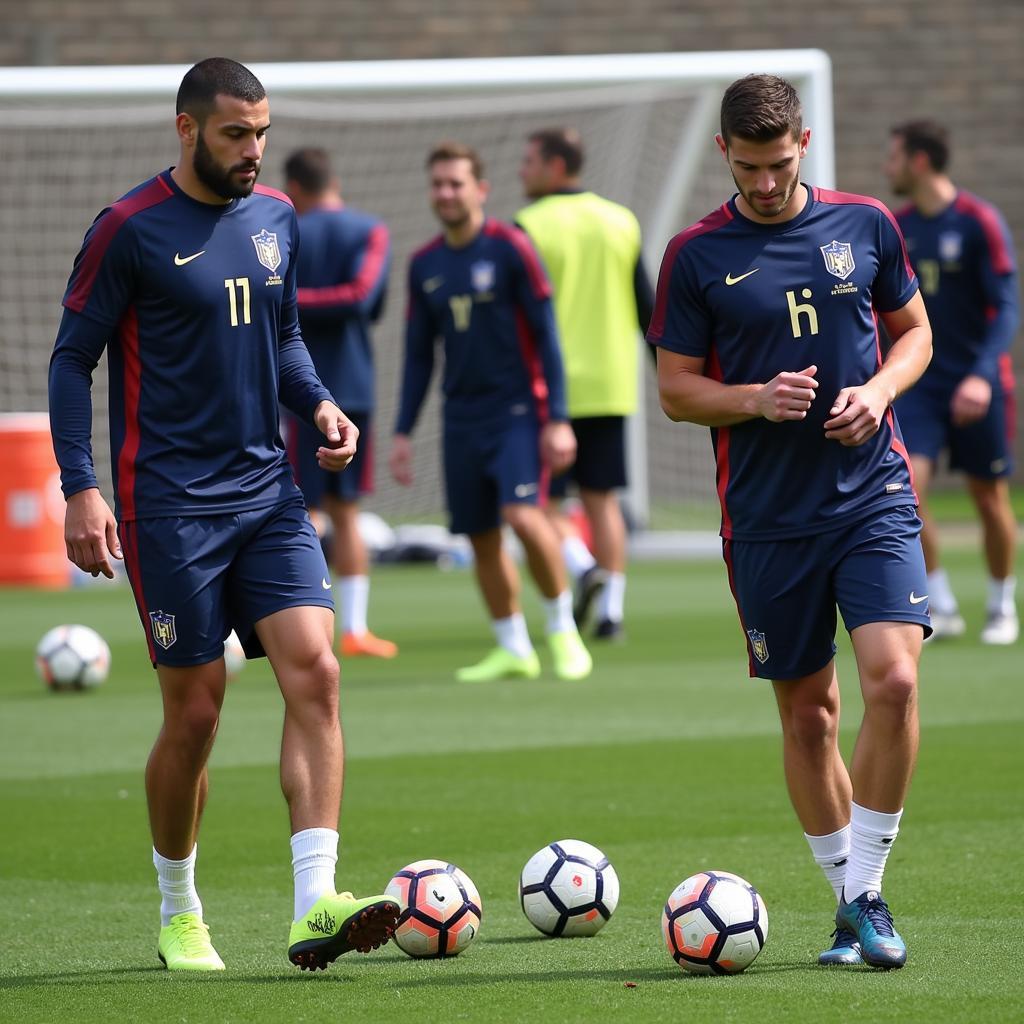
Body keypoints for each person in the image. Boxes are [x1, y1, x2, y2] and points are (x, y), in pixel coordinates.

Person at [48, 58, 399, 973]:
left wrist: (319, 403)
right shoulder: (128, 229)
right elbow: (69, 359)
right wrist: (79, 486)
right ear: (187, 128)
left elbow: (281, 335)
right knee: (197, 712)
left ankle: (315, 902)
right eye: (236, 134)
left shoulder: (278, 218)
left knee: (316, 671)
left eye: (263, 134)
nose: (253, 151)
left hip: (268, 493)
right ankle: (177, 909)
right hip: (169, 508)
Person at [650, 74, 933, 969]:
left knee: (894, 683)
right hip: (767, 519)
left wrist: (878, 391)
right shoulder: (694, 256)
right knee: (810, 716)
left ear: (802, 144)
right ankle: (853, 905)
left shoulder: (866, 225)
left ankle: (869, 893)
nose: (765, 184)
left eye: (777, 165)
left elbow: (916, 334)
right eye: (747, 167)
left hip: (871, 494)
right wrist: (754, 398)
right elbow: (675, 390)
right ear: (726, 154)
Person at [389, 141, 592, 683]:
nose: (446, 193)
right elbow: (416, 356)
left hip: (518, 411)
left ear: (481, 189)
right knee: (479, 535)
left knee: (524, 516)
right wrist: (402, 431)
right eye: (438, 184)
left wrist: (560, 418)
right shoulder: (424, 264)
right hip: (460, 418)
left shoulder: (511, 248)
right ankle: (513, 648)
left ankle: (563, 631)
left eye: (456, 183)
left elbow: (547, 335)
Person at [517, 128, 655, 640]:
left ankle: (580, 566)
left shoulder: (528, 225)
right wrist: (667, 373)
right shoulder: (621, 220)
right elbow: (648, 307)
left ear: (555, 166)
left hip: (549, 390)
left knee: (542, 502)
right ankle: (612, 612)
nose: (521, 171)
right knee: (602, 500)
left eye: (529, 161)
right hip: (611, 381)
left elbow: (520, 315)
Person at [884, 121, 1020, 644]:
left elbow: (1006, 306)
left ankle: (1000, 605)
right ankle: (938, 603)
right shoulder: (895, 227)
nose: (886, 167)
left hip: (978, 385)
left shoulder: (978, 221)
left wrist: (982, 376)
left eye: (893, 158)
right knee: (908, 491)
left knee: (988, 498)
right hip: (919, 386)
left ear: (919, 162)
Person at [282, 147, 398, 659]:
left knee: (300, 509)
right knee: (345, 511)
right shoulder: (370, 230)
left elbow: (355, 298)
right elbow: (365, 299)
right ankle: (352, 629)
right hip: (349, 388)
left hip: (293, 389)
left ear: (296, 187)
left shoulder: (283, 232)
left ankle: (297, 628)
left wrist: (290, 301)